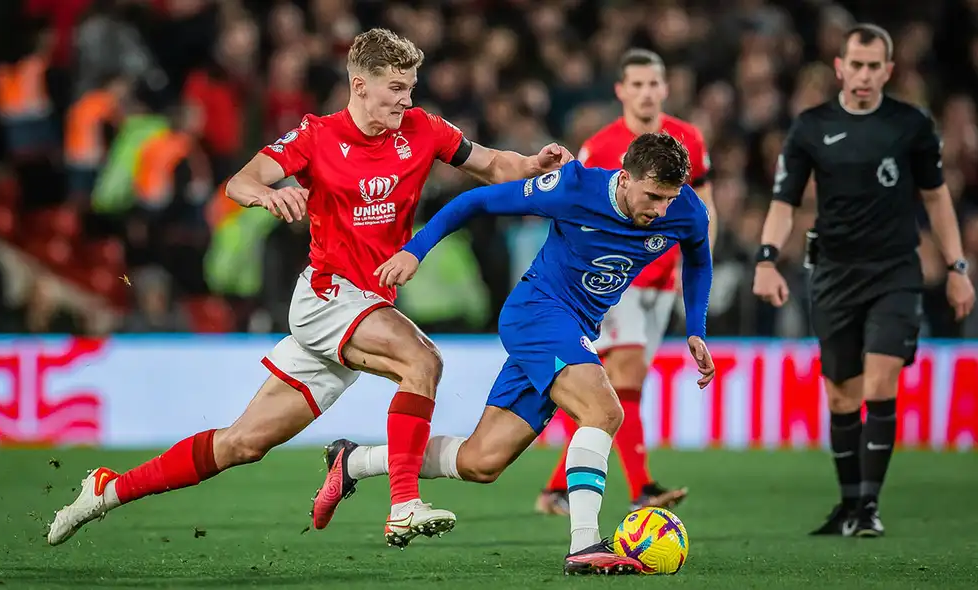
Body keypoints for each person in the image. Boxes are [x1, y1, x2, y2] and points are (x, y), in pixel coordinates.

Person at [47, 27, 572, 548]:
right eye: (395, 88)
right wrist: (266, 197)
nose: (405, 100)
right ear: (359, 84)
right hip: (330, 297)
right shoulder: (316, 136)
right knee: (422, 362)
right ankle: (405, 505)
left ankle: (108, 490)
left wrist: (529, 166)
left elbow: (490, 163)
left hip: (367, 307)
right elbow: (241, 181)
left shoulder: (423, 128)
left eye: (410, 87)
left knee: (242, 444)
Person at [313, 133, 715, 575]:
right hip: (538, 314)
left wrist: (695, 328)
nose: (660, 210)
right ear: (625, 178)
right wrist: (415, 249)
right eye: (653, 196)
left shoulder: (686, 210)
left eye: (668, 199)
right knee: (604, 411)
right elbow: (476, 203)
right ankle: (584, 544)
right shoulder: (574, 188)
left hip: (575, 328)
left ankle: (353, 460)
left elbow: (698, 256)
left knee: (481, 461)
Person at [753, 23, 975, 537]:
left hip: (895, 272)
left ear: (888, 71)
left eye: (875, 66)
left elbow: (938, 198)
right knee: (841, 396)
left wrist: (958, 267)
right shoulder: (810, 126)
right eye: (856, 64)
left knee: (880, 383)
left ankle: (870, 507)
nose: (864, 75)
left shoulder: (911, 125)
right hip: (832, 273)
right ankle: (849, 504)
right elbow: (784, 202)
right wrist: (766, 258)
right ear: (840, 67)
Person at [538, 48, 717, 516]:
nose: (644, 92)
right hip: (615, 281)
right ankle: (643, 488)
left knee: (620, 387)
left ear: (665, 88)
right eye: (635, 84)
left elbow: (705, 209)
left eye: (652, 84)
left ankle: (554, 488)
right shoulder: (601, 146)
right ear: (620, 90)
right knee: (627, 378)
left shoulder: (689, 141)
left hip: (663, 280)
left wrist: (696, 259)